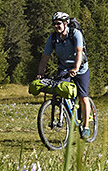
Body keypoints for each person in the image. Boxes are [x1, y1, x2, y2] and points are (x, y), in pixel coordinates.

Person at [36, 11, 92, 139]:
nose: (56, 26)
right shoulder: (53, 38)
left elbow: (79, 52)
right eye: (54, 24)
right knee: (60, 90)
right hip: (64, 68)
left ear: (65, 23)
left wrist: (76, 68)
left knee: (83, 97)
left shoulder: (75, 34)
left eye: (59, 24)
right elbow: (45, 57)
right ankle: (65, 114)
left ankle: (86, 127)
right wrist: (40, 73)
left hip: (80, 68)